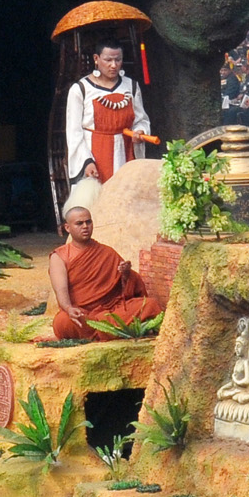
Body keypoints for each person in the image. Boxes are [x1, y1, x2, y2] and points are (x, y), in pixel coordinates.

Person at [62, 39, 154, 213]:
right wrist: (86, 161)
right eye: (108, 60)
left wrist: (140, 132)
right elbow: (74, 132)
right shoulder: (80, 89)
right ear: (96, 59)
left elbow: (141, 119)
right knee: (95, 205)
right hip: (96, 154)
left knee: (128, 202)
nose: (113, 65)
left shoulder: (131, 86)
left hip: (126, 153)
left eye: (118, 60)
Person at [48, 207, 167, 340]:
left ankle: (100, 332)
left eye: (88, 222)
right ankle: (113, 330)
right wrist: (69, 308)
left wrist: (126, 275)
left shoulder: (107, 252)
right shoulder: (60, 256)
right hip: (82, 313)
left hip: (112, 311)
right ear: (67, 228)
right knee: (63, 322)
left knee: (150, 305)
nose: (85, 226)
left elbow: (128, 290)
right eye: (79, 223)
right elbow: (61, 291)